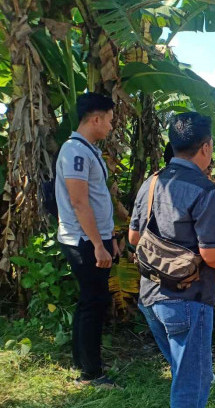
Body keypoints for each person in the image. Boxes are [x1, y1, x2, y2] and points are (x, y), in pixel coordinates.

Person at [128, 112, 215, 408]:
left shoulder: (152, 183)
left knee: (186, 371)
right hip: (187, 301)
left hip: (150, 296)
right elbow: (210, 253)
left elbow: (133, 237)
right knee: (192, 375)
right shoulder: (206, 191)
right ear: (206, 148)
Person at [56, 92, 118, 388]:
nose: (110, 126)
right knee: (94, 302)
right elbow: (79, 202)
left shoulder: (86, 149)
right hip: (83, 240)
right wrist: (97, 244)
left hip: (94, 237)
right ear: (95, 119)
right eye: (108, 120)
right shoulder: (76, 152)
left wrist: (110, 237)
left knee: (89, 302)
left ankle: (83, 362)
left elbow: (96, 197)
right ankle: (92, 374)